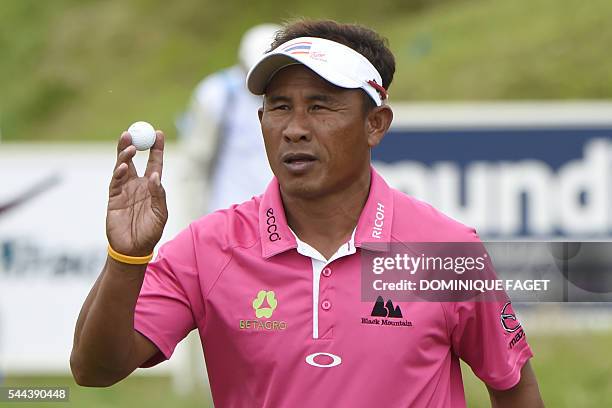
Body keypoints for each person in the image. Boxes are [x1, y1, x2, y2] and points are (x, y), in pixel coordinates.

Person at [70, 20, 544, 407]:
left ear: (375, 124)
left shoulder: (444, 249)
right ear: (261, 123)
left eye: (320, 106)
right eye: (279, 107)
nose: (295, 129)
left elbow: (513, 386)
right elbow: (95, 370)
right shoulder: (207, 247)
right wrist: (126, 258)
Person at [179, 24, 279, 216]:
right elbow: (195, 164)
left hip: (277, 217)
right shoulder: (216, 94)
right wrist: (193, 224)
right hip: (226, 217)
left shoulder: (296, 98)